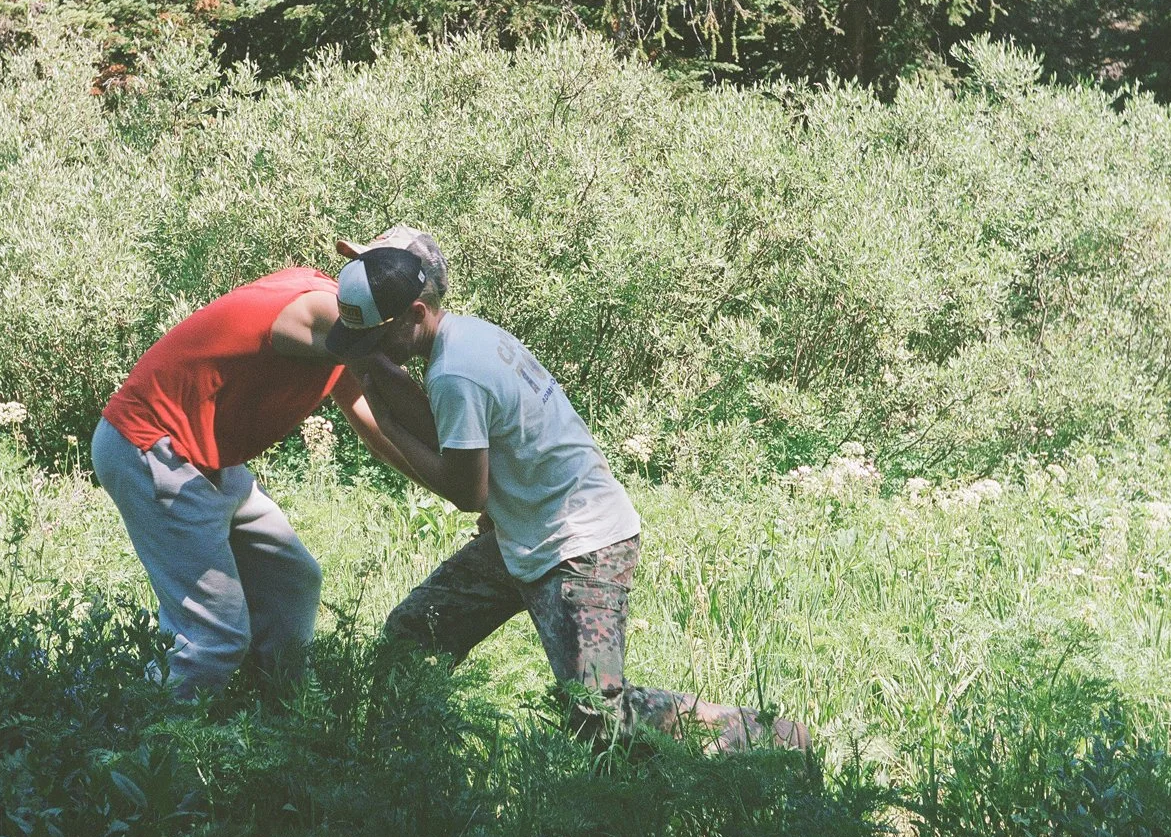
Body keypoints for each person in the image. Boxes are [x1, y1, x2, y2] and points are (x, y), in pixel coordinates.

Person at [330, 230, 810, 753]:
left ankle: (772, 739)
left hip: (582, 547)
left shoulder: (454, 375)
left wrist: (388, 426)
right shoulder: (469, 335)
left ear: (416, 314)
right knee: (411, 637)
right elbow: (518, 443)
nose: (373, 354)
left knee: (600, 717)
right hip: (529, 534)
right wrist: (501, 509)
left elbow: (466, 491)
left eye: (377, 339)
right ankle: (410, 772)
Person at [92, 258, 418, 702]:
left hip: (209, 456)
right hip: (150, 446)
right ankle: (131, 745)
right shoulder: (311, 317)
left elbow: (377, 427)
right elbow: (383, 377)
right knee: (211, 639)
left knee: (291, 580)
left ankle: (280, 719)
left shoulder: (347, 321)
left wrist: (463, 489)